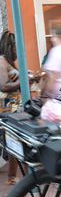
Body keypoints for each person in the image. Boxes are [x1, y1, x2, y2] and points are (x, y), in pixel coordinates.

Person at [0, 30, 21, 184]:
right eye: (16, 48)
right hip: (7, 109)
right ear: (10, 47)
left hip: (14, 108)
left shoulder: (8, 62)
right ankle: (12, 177)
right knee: (14, 141)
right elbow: (4, 86)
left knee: (16, 142)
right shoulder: (1, 61)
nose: (17, 52)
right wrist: (24, 80)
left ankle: (13, 177)